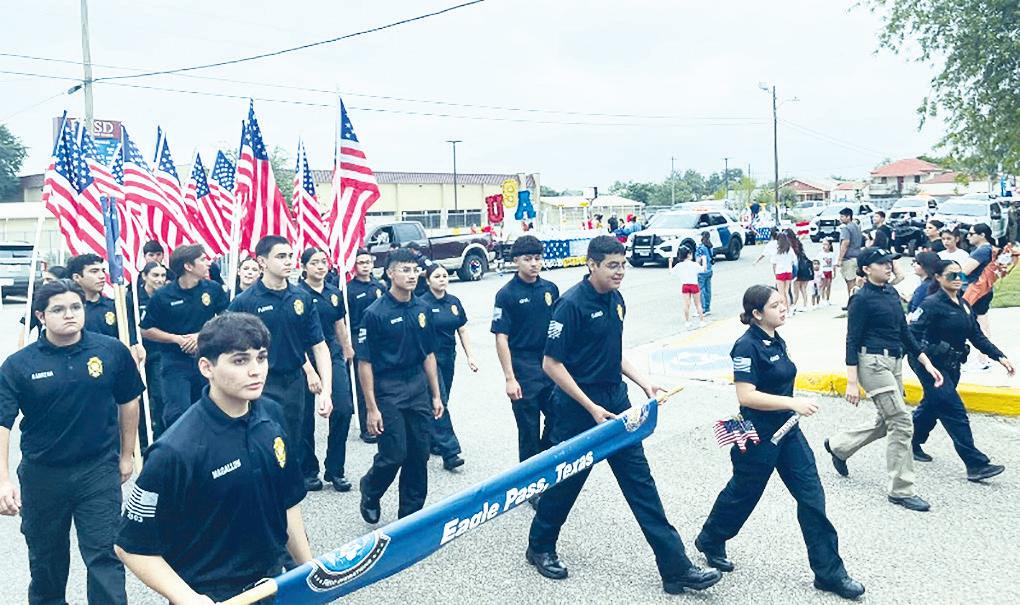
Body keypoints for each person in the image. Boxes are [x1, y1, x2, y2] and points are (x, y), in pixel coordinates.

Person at [525, 236, 721, 595]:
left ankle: (676, 569)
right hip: (577, 409)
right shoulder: (571, 305)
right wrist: (589, 406)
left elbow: (613, 352)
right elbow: (551, 364)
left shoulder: (616, 300)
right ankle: (539, 546)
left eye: (623, 264)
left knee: (640, 484)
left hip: (616, 403)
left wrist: (645, 382)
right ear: (592, 265)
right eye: (612, 265)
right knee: (567, 483)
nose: (620, 272)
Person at [115, 313, 314, 602]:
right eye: (240, 361)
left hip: (274, 585)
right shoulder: (174, 451)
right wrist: (189, 598)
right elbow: (131, 546)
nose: (256, 371)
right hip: (213, 594)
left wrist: (308, 571)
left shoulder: (272, 416)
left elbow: (288, 503)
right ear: (206, 367)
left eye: (261, 358)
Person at [696, 285, 864, 600]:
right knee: (743, 492)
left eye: (782, 302)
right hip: (756, 432)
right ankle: (711, 538)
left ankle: (829, 573)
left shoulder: (776, 339)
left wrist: (790, 408)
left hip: (788, 431)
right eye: (775, 305)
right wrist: (792, 403)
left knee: (812, 497)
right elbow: (746, 396)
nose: (783, 308)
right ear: (757, 314)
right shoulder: (745, 347)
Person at [0, 280, 144, 605]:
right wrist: (3, 480)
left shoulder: (111, 351)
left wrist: (126, 455)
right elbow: (2, 422)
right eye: (59, 309)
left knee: (105, 555)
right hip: (42, 475)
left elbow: (129, 401)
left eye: (76, 307)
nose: (70, 315)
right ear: (41, 316)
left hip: (98, 470)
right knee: (46, 561)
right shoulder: (18, 365)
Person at [824, 247, 943, 512]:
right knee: (901, 421)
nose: (888, 266)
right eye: (881, 263)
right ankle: (901, 490)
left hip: (895, 362)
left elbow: (903, 332)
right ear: (866, 269)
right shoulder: (861, 299)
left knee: (885, 421)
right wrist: (852, 382)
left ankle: (839, 446)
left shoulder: (890, 292)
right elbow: (852, 339)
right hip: (873, 363)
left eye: (889, 262)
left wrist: (926, 362)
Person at [228, 236, 334, 467]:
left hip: (294, 383)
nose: (288, 261)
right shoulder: (244, 302)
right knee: (262, 445)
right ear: (262, 262)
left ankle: (290, 488)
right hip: (260, 383)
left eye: (290, 256)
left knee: (292, 445)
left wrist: (326, 391)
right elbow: (227, 350)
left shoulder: (302, 298)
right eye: (281, 256)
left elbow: (319, 346)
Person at [356, 248, 444, 523]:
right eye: (405, 270)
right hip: (388, 387)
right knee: (394, 454)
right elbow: (365, 362)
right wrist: (371, 408)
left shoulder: (423, 308)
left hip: (417, 385)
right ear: (390, 273)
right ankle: (370, 489)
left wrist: (436, 395)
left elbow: (429, 354)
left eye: (415, 270)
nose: (412, 275)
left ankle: (410, 518)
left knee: (419, 454)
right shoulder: (375, 313)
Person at [908, 260, 1016, 481]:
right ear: (938, 278)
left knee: (932, 405)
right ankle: (975, 464)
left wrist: (999, 356)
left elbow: (976, 335)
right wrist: (927, 358)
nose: (958, 279)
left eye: (961, 276)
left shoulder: (963, 304)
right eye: (951, 275)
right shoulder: (930, 304)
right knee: (954, 410)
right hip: (930, 365)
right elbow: (911, 336)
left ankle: (911, 442)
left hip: (952, 364)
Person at [140, 244, 229, 429]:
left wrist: (201, 336)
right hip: (175, 362)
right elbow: (146, 330)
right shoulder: (163, 295)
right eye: (202, 260)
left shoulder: (213, 289)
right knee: (177, 413)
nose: (208, 263)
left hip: (206, 359)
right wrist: (177, 339)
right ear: (188, 266)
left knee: (209, 408)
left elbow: (226, 318)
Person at [491, 235, 559, 468]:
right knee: (528, 430)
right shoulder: (506, 294)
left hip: (549, 362)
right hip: (522, 365)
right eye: (528, 259)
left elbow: (559, 328)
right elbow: (501, 337)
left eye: (538, 258)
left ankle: (546, 463)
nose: (534, 264)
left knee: (559, 417)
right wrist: (509, 378)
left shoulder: (550, 289)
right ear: (516, 261)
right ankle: (530, 480)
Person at [297, 248, 356, 493]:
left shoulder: (334, 292)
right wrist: (310, 370)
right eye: (315, 263)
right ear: (304, 267)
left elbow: (339, 322)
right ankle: (308, 470)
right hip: (302, 356)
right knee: (303, 418)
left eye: (324, 262)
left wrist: (347, 347)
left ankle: (335, 468)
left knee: (343, 409)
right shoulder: (296, 295)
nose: (321, 266)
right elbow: (293, 335)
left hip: (331, 353)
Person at [420, 265, 479, 471]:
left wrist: (470, 356)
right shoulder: (422, 304)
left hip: (448, 356)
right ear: (428, 281)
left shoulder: (453, 302)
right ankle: (450, 452)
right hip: (429, 359)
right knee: (440, 400)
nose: (442, 279)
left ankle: (431, 439)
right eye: (437, 276)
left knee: (438, 401)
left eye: (445, 276)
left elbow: (462, 330)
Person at [346, 248, 387, 443]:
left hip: (380, 336)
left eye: (367, 262)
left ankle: (383, 421)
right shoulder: (348, 289)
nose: (365, 266)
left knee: (381, 381)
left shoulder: (378, 286)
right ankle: (367, 426)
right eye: (360, 263)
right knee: (363, 383)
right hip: (358, 336)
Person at [66, 254, 138, 349]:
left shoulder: (115, 306)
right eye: (94, 271)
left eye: (103, 271)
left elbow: (130, 340)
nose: (102, 276)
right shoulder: (69, 310)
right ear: (76, 277)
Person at [132, 261, 168, 445]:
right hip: (138, 353)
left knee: (160, 396)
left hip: (159, 353)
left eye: (163, 275)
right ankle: (143, 439)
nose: (160, 279)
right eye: (155, 275)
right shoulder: (133, 298)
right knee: (138, 397)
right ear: (144, 276)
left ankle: (161, 436)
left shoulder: (166, 297)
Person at [958, 224, 996, 370]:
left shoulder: (982, 251)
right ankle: (984, 359)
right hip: (984, 290)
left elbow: (965, 271)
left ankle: (963, 359)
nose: (968, 236)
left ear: (982, 235)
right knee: (983, 324)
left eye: (971, 233)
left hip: (974, 291)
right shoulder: (990, 249)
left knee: (963, 324)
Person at [17, 265, 66, 349]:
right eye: (44, 280)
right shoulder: (38, 303)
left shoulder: (73, 304)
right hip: (44, 350)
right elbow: (25, 330)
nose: (45, 283)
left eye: (49, 280)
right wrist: (21, 352)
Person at [834, 208, 865, 306]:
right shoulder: (856, 226)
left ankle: (853, 303)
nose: (840, 218)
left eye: (842, 216)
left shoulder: (846, 228)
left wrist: (839, 259)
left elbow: (845, 243)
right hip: (858, 257)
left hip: (849, 258)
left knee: (850, 282)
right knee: (857, 282)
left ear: (848, 217)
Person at [670, 247, 704, 329]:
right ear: (688, 255)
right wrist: (704, 260)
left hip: (685, 285)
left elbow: (671, 272)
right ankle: (701, 321)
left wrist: (670, 262)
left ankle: (687, 322)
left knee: (686, 304)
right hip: (694, 285)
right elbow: (703, 269)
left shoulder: (679, 265)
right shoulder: (694, 264)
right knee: (698, 304)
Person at [771, 232, 796, 310]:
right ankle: (789, 309)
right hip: (788, 272)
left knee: (781, 293)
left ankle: (785, 309)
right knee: (786, 291)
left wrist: (775, 274)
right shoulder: (790, 250)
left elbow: (774, 264)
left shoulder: (776, 251)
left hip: (780, 272)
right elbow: (793, 261)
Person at [695, 231, 714, 315]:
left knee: (701, 290)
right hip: (709, 270)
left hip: (702, 271)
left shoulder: (700, 248)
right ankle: (707, 307)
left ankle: (702, 308)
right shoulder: (710, 246)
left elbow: (698, 260)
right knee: (708, 289)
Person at [819, 239, 836, 306]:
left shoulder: (832, 254)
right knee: (822, 286)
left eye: (826, 244)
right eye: (823, 244)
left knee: (828, 286)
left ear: (829, 246)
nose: (824, 246)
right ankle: (822, 299)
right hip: (823, 271)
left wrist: (834, 272)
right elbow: (817, 263)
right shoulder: (820, 254)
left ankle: (827, 299)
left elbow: (834, 264)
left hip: (829, 271)